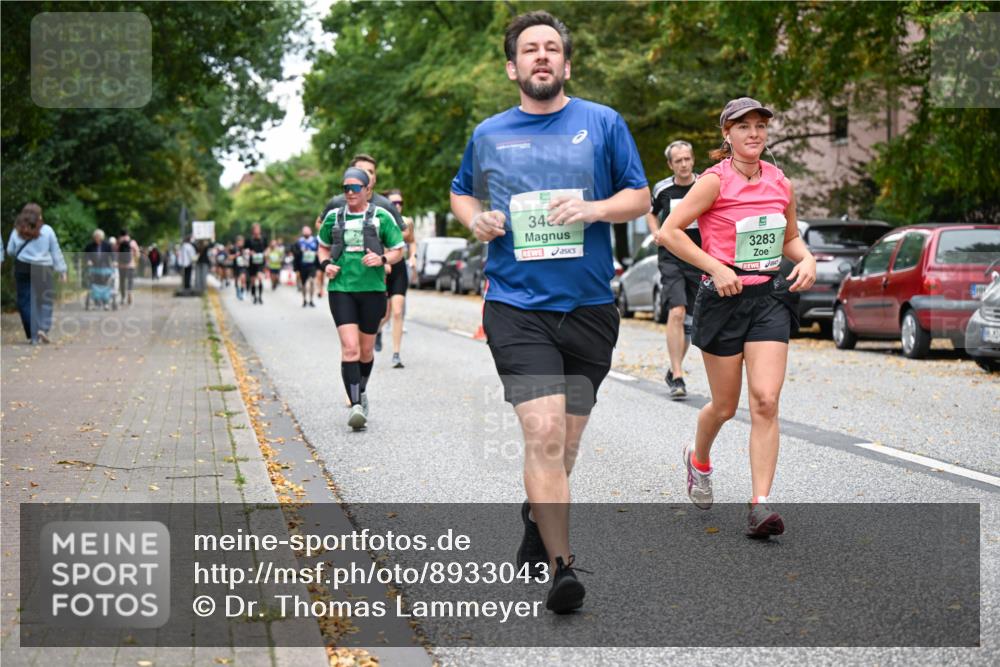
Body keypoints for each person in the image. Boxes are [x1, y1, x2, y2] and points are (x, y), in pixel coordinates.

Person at [450, 10, 649, 613]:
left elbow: (638, 196)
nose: (542, 56)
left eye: (551, 48)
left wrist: (592, 211)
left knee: (565, 445)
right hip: (517, 307)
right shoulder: (489, 134)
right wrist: (474, 219)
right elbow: (462, 191)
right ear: (513, 67)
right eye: (530, 49)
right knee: (542, 433)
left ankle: (537, 516)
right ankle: (563, 570)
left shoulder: (603, 123)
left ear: (566, 63)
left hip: (589, 309)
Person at [658, 97, 816, 538]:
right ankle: (699, 458)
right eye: (743, 126)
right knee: (725, 406)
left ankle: (760, 504)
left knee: (765, 401)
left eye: (760, 125)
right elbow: (670, 232)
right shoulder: (713, 182)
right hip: (723, 300)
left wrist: (807, 260)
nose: (754, 133)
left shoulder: (781, 183)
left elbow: (790, 239)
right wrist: (715, 267)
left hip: (768, 299)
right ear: (726, 134)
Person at [317, 167, 405, 430]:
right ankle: (355, 406)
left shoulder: (381, 217)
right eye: (346, 188)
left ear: (368, 190)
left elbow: (398, 249)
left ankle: (361, 391)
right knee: (350, 348)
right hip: (341, 289)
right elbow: (321, 245)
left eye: (355, 188)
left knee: (366, 351)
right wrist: (325, 265)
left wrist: (382, 259)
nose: (350, 192)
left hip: (373, 290)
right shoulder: (334, 217)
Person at [317, 153, 408, 353]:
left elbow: (401, 233)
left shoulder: (384, 205)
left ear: (372, 180)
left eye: (371, 172)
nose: (368, 174)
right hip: (345, 280)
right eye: (363, 170)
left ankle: (379, 338)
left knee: (391, 313)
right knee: (351, 346)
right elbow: (321, 229)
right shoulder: (336, 203)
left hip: (380, 271)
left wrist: (381, 255)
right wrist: (334, 252)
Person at [646, 140, 701, 399]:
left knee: (690, 322)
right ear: (671, 164)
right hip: (671, 258)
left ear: (693, 160)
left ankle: (672, 369)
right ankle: (678, 376)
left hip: (698, 258)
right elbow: (650, 213)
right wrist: (656, 232)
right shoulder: (663, 189)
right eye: (678, 160)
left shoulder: (704, 185)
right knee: (677, 311)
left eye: (687, 159)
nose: (683, 164)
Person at [6, 203, 68, 344]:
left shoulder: (17, 231)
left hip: (22, 267)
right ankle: (42, 328)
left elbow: (10, 250)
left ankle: (33, 335)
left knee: (25, 301)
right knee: (45, 300)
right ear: (39, 215)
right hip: (43, 268)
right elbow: (55, 251)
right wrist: (62, 270)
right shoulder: (47, 230)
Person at [378, 189, 415, 368]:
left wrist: (413, 256)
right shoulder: (379, 220)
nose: (398, 206)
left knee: (398, 311)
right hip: (381, 268)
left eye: (400, 203)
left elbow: (412, 241)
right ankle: (377, 331)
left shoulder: (407, 222)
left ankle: (396, 354)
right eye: (394, 203)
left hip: (399, 268)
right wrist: (382, 259)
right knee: (384, 313)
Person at [295, 225, 320, 307]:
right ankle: (304, 300)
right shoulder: (299, 242)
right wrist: (301, 251)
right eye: (304, 231)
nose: (306, 232)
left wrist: (316, 254)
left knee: (311, 281)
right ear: (302, 232)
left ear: (310, 232)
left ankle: (311, 300)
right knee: (304, 284)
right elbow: (295, 253)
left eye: (307, 231)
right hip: (302, 266)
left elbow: (320, 251)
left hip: (312, 265)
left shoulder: (315, 241)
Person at [116, 229, 140, 306]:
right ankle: (129, 292)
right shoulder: (132, 242)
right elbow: (137, 254)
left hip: (121, 265)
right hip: (130, 265)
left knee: (122, 282)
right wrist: (135, 261)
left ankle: (123, 297)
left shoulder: (118, 242)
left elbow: (115, 253)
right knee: (130, 281)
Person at [246, 224, 268, 304]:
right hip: (252, 262)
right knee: (253, 280)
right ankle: (254, 296)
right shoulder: (249, 240)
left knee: (260, 278)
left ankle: (260, 297)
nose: (257, 231)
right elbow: (246, 249)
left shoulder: (263, 239)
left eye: (258, 229)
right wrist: (250, 252)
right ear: (253, 230)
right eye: (255, 229)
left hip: (261, 262)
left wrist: (265, 253)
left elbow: (267, 248)